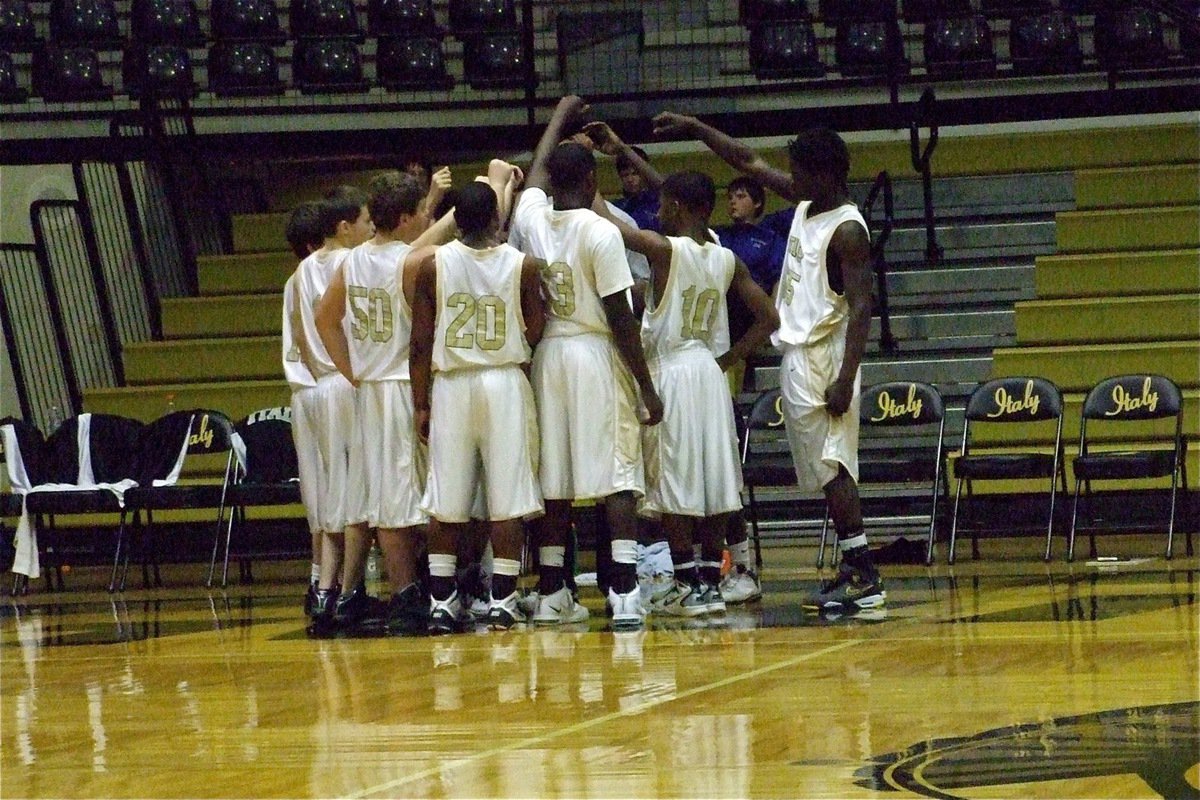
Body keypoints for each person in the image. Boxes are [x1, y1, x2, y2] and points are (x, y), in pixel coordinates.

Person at [653, 112, 886, 614]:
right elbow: (746, 159)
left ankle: (864, 572)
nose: (791, 180)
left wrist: (845, 378)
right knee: (823, 470)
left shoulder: (848, 230)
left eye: (799, 172)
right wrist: (697, 128)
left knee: (834, 465)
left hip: (826, 356)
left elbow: (864, 307)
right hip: (800, 354)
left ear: (825, 174)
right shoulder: (809, 204)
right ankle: (854, 567)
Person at [592, 157, 779, 617]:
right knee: (714, 478)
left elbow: (607, 223)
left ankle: (685, 581)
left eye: (661, 205)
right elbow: (769, 318)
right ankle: (711, 581)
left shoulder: (663, 249)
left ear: (676, 205)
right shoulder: (727, 257)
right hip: (709, 374)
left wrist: (588, 184)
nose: (657, 213)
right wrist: (727, 360)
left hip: (672, 371)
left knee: (675, 479)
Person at [509, 95, 663, 629]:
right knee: (618, 474)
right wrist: (646, 386)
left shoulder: (531, 219)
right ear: (594, 185)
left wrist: (558, 115)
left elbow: (532, 173)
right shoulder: (601, 232)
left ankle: (553, 591)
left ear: (551, 184)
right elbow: (622, 317)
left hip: (548, 356)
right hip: (596, 353)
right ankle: (622, 588)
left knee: (557, 479)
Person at [410, 177, 546, 633]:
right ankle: (503, 599)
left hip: (451, 385)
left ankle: (442, 601)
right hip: (503, 381)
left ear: (456, 222)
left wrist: (420, 404)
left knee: (446, 500)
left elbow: (419, 343)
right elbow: (536, 328)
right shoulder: (523, 265)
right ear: (495, 219)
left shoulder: (433, 266)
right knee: (507, 499)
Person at [312, 172, 440, 634]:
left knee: (384, 498)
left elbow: (326, 320)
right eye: (421, 212)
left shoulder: (352, 261)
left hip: (371, 389)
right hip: (405, 388)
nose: (426, 218)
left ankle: (396, 593)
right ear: (405, 217)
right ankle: (425, 590)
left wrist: (352, 370)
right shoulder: (413, 260)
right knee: (414, 498)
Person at [286, 185, 375, 633]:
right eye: (366, 221)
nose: (371, 229)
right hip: (344, 382)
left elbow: (303, 339)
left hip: (314, 387)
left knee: (325, 496)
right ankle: (344, 592)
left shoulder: (300, 272)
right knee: (353, 494)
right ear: (343, 226)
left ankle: (322, 587)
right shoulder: (351, 262)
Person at [282, 200, 326, 616]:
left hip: (304, 395)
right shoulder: (318, 274)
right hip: (325, 389)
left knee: (319, 499)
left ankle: (319, 583)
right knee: (332, 499)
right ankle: (326, 584)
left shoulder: (295, 279)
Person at [611, 143, 661, 233]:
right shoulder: (616, 207)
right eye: (625, 175)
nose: (630, 179)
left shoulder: (660, 201)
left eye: (635, 174)